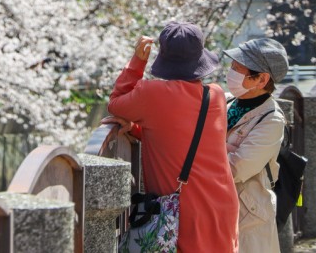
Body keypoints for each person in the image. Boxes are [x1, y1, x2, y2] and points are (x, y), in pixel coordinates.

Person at [106, 22, 239, 253]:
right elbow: (185, 134)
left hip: (182, 210)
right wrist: (138, 128)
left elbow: (116, 104)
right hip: (222, 202)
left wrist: (137, 62)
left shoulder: (152, 93)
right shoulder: (215, 95)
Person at [223, 38, 290, 253]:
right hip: (217, 207)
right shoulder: (225, 101)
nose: (230, 72)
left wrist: (203, 152)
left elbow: (236, 168)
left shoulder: (272, 119)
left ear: (261, 79)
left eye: (237, 68)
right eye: (232, 66)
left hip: (249, 215)